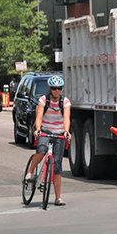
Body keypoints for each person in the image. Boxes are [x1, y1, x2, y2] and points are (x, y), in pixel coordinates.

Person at [24, 75, 71, 206]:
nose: (57, 91)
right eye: (54, 88)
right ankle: (30, 172)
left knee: (57, 165)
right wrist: (38, 129)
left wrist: (66, 131)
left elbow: (67, 118)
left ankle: (58, 197)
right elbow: (38, 117)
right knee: (42, 150)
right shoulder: (43, 100)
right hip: (45, 131)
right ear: (50, 89)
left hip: (59, 133)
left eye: (59, 88)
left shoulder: (65, 102)